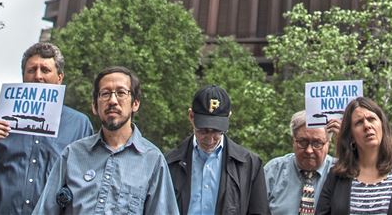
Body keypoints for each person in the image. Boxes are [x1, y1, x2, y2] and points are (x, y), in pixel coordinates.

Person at [0, 42, 93, 215]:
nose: (38, 76)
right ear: (23, 77)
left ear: (60, 77)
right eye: (31, 70)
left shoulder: (79, 125)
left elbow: (86, 188)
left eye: (45, 70)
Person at [31, 66, 177, 215]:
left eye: (121, 93)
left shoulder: (152, 160)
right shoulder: (73, 154)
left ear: (135, 103)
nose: (113, 101)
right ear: (94, 106)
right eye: (105, 94)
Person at [166, 84, 269, 215]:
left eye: (216, 131)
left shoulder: (250, 165)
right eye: (202, 131)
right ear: (191, 116)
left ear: (229, 118)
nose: (209, 140)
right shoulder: (169, 162)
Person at [316, 97, 392, 215]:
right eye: (359, 122)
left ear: (382, 126)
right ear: (351, 135)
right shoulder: (336, 176)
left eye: (371, 119)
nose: (367, 126)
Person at [264, 112, 337, 215]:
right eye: (303, 142)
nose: (309, 150)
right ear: (293, 141)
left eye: (317, 143)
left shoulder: (340, 172)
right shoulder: (273, 171)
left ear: (328, 142)